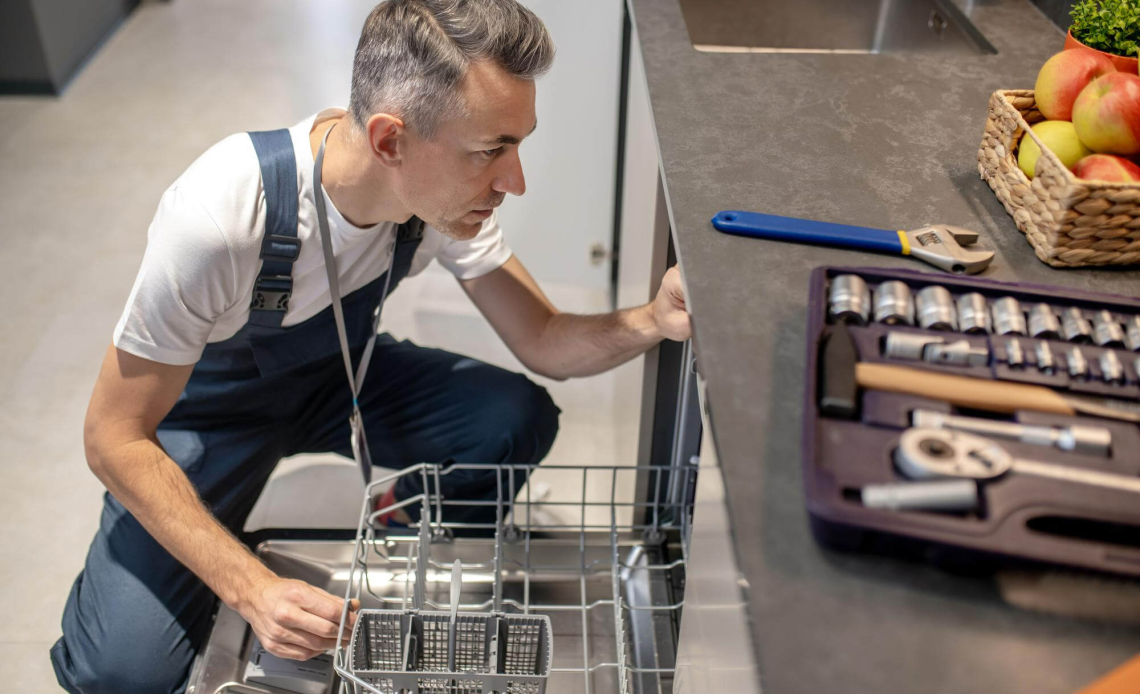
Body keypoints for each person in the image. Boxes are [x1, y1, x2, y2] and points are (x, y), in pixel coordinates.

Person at [50, 1, 691, 692]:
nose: (514, 181)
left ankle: (396, 525)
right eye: (489, 151)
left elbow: (543, 340)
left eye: (518, 144)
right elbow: (112, 437)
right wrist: (249, 586)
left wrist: (652, 318)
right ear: (391, 141)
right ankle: (207, 547)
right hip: (209, 416)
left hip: (339, 378)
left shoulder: (443, 203)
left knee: (511, 418)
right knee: (119, 673)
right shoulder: (222, 216)